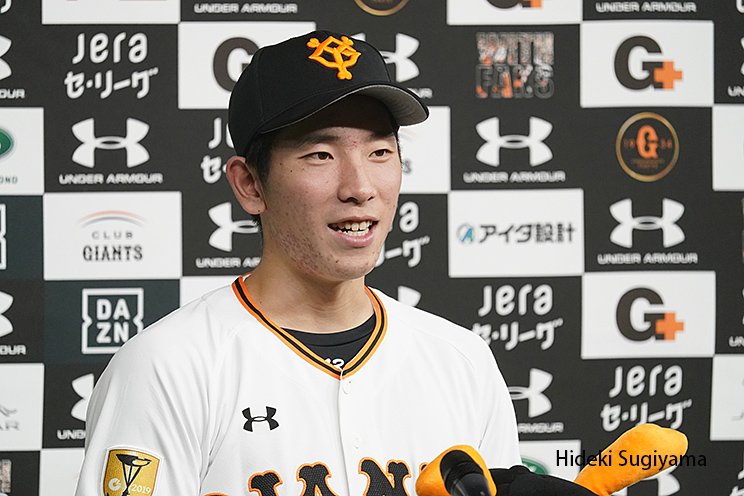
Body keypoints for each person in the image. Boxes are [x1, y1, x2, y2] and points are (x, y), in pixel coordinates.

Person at [75, 30, 520, 496]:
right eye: (320, 155)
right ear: (250, 184)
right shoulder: (167, 367)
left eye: (380, 152)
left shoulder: (462, 361)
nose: (360, 187)